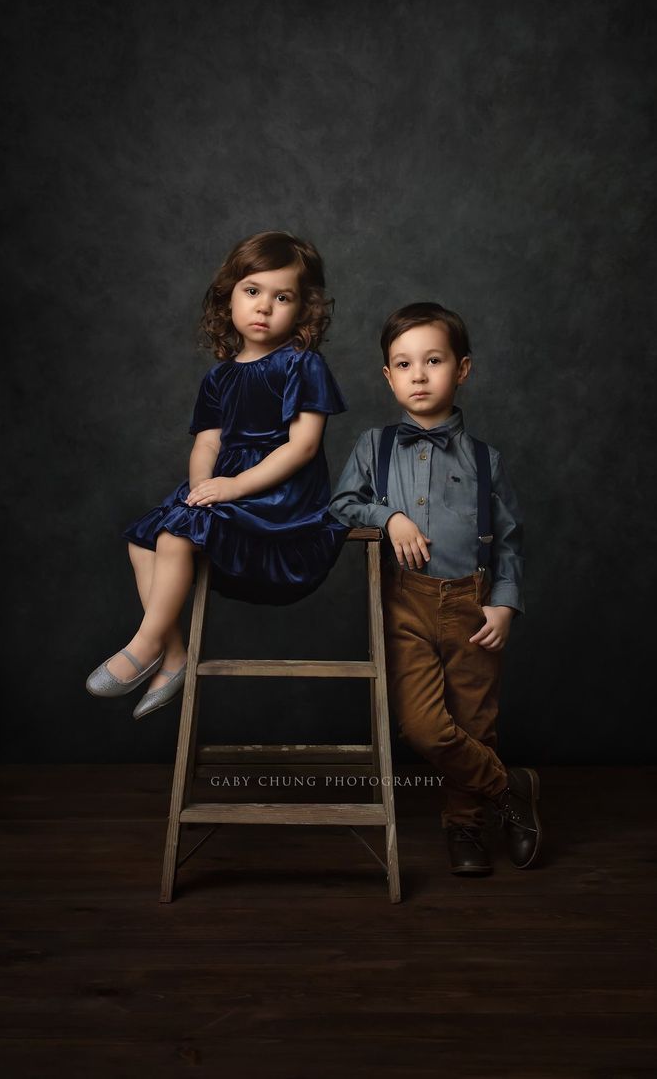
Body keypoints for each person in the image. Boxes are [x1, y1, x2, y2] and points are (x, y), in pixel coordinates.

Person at [86, 230, 348, 720]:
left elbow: (304, 445)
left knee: (177, 537)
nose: (264, 307)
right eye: (252, 291)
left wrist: (234, 486)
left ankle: (145, 645)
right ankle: (176, 655)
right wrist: (202, 485)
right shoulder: (220, 376)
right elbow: (207, 441)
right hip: (228, 487)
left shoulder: (301, 364)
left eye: (282, 296)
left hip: (281, 493)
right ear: (229, 294)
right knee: (145, 539)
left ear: (303, 310)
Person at [329, 303, 541, 875]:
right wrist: (388, 516)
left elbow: (510, 540)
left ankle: (466, 829)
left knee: (475, 719)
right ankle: (510, 787)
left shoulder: (485, 460)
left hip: (472, 603)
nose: (418, 375)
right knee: (424, 724)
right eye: (404, 363)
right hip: (405, 601)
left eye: (433, 360)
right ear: (388, 376)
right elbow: (341, 506)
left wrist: (504, 600)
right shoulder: (373, 447)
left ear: (462, 369)